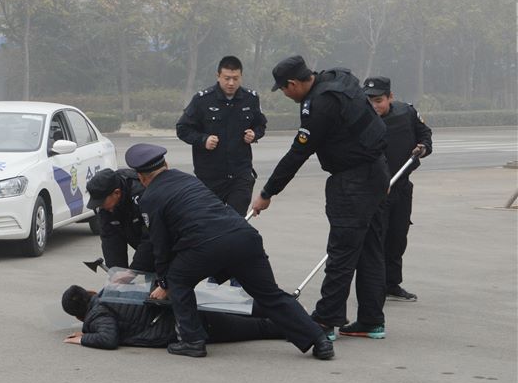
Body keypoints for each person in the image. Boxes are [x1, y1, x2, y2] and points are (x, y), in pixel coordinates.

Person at [123, 143, 334, 359]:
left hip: (205, 245)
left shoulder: (150, 199)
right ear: (166, 165)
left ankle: (192, 341)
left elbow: (160, 245)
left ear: (141, 177)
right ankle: (320, 340)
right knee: (270, 295)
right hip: (244, 236)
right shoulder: (187, 179)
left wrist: (164, 283)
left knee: (177, 280)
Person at [251, 55, 389, 340]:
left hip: (352, 183)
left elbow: (298, 153)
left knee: (341, 253)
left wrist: (267, 192)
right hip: (376, 171)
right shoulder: (338, 78)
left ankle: (325, 321)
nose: (286, 95)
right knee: (370, 249)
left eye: (284, 89)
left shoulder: (320, 105)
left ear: (293, 84)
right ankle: (371, 320)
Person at [363, 76, 433, 302]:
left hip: (401, 186)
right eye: (369, 101)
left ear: (390, 97)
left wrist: (423, 147)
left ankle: (392, 284)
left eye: (378, 100)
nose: (374, 106)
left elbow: (425, 135)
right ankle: (374, 287)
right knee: (377, 240)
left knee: (397, 237)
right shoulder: (360, 118)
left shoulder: (407, 113)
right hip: (375, 190)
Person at [176, 55, 267, 216]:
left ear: (241, 77)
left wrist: (254, 134)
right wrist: (203, 140)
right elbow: (183, 128)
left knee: (235, 221)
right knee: (210, 222)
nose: (231, 83)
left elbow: (261, 124)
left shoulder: (251, 98)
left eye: (235, 78)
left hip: (240, 175)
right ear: (218, 76)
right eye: (227, 78)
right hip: (210, 177)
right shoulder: (202, 100)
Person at [61, 285, 284, 350]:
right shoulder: (108, 293)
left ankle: (294, 326)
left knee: (257, 328)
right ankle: (289, 314)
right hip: (180, 309)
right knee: (242, 310)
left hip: (178, 326)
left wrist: (83, 338)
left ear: (78, 315)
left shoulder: (97, 314)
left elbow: (108, 338)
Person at [86, 168, 154, 272]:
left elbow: (152, 238)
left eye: (102, 203)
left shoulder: (143, 196)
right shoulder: (105, 208)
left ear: (117, 193)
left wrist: (134, 271)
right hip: (145, 244)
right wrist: (118, 273)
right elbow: (110, 240)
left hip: (169, 247)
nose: (101, 207)